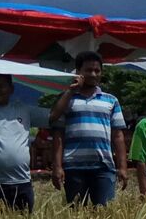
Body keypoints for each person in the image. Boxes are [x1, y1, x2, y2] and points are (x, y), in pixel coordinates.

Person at [49, 51, 128, 205]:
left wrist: (122, 167)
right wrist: (57, 167)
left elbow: (118, 136)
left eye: (97, 71)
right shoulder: (66, 99)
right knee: (77, 213)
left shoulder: (111, 100)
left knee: (105, 214)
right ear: (79, 72)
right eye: (88, 70)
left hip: (103, 167)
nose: (93, 74)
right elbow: (56, 130)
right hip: (73, 167)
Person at [0, 72, 49, 211]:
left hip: (20, 182)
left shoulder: (23, 109)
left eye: (1, 86)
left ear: (11, 88)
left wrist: (70, 92)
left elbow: (53, 116)